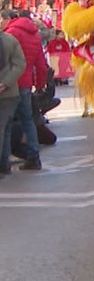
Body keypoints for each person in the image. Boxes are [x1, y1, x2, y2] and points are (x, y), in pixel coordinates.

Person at [4, 10, 45, 170]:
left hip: (10, 84)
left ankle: (4, 163)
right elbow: (41, 64)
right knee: (28, 121)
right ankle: (34, 157)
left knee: (6, 124)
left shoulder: (11, 33)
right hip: (26, 84)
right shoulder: (35, 35)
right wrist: (40, 85)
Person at [0, 27, 25, 177]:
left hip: (8, 93)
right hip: (10, 93)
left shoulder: (10, 40)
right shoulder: (10, 40)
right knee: (5, 129)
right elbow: (20, 64)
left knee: (3, 129)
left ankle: (3, 164)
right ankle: (4, 164)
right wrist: (6, 83)